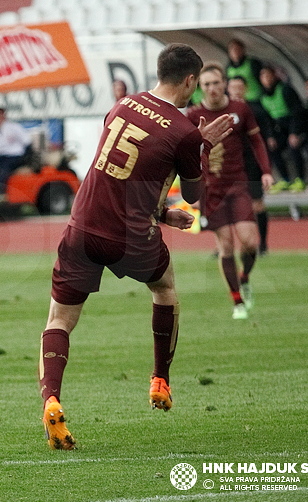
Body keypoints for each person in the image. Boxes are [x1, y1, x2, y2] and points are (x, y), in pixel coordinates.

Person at [38, 44, 233, 450]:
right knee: (164, 288)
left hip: (81, 229)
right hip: (130, 238)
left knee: (58, 320)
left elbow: (117, 175)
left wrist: (161, 212)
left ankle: (51, 400)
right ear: (191, 81)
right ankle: (160, 379)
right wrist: (203, 145)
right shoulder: (183, 132)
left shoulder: (122, 105)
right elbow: (194, 197)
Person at [188, 64, 274, 320]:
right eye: (206, 84)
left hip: (238, 185)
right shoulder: (193, 115)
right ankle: (237, 302)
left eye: (216, 83)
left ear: (224, 82)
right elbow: (183, 151)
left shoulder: (240, 109)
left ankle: (245, 278)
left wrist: (266, 170)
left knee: (250, 242)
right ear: (199, 88)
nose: (212, 88)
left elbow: (256, 140)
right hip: (210, 190)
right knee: (225, 245)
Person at [228, 76, 271, 254]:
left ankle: (263, 244)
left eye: (240, 87)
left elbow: (263, 139)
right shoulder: (222, 111)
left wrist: (265, 168)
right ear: (228, 89)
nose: (237, 90)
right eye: (233, 87)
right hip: (229, 164)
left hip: (251, 163)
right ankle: (225, 245)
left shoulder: (256, 110)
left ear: (245, 89)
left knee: (256, 204)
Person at [259, 65, 308, 193]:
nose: (265, 79)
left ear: (274, 76)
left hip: (296, 126)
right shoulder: (263, 96)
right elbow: (268, 119)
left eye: (268, 75)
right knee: (271, 148)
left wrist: (294, 133)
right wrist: (270, 136)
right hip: (280, 128)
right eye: (263, 76)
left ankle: (301, 179)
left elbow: (297, 113)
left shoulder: (285, 90)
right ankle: (285, 179)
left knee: (293, 146)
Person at [0, 107, 32, 205]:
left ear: (5, 115)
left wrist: (27, 155)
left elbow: (27, 141)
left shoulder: (14, 127)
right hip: (0, 156)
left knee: (5, 168)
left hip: (15, 155)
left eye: (1, 114)